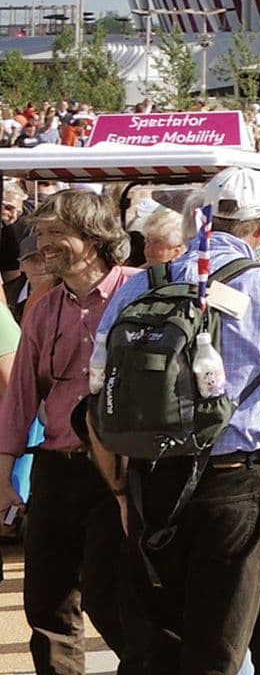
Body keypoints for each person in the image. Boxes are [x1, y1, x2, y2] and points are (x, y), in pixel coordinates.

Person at [89, 169, 260, 675]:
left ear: (199, 217)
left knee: (155, 644)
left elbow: (97, 391)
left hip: (150, 477)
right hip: (234, 479)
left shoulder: (142, 284)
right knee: (219, 644)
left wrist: (119, 489)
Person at [0, 190, 141, 675]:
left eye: (56, 233)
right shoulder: (43, 308)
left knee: (110, 596)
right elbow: (21, 395)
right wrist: (4, 473)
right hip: (57, 469)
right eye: (40, 234)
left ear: (94, 237)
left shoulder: (140, 292)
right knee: (47, 604)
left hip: (123, 472)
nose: (43, 244)